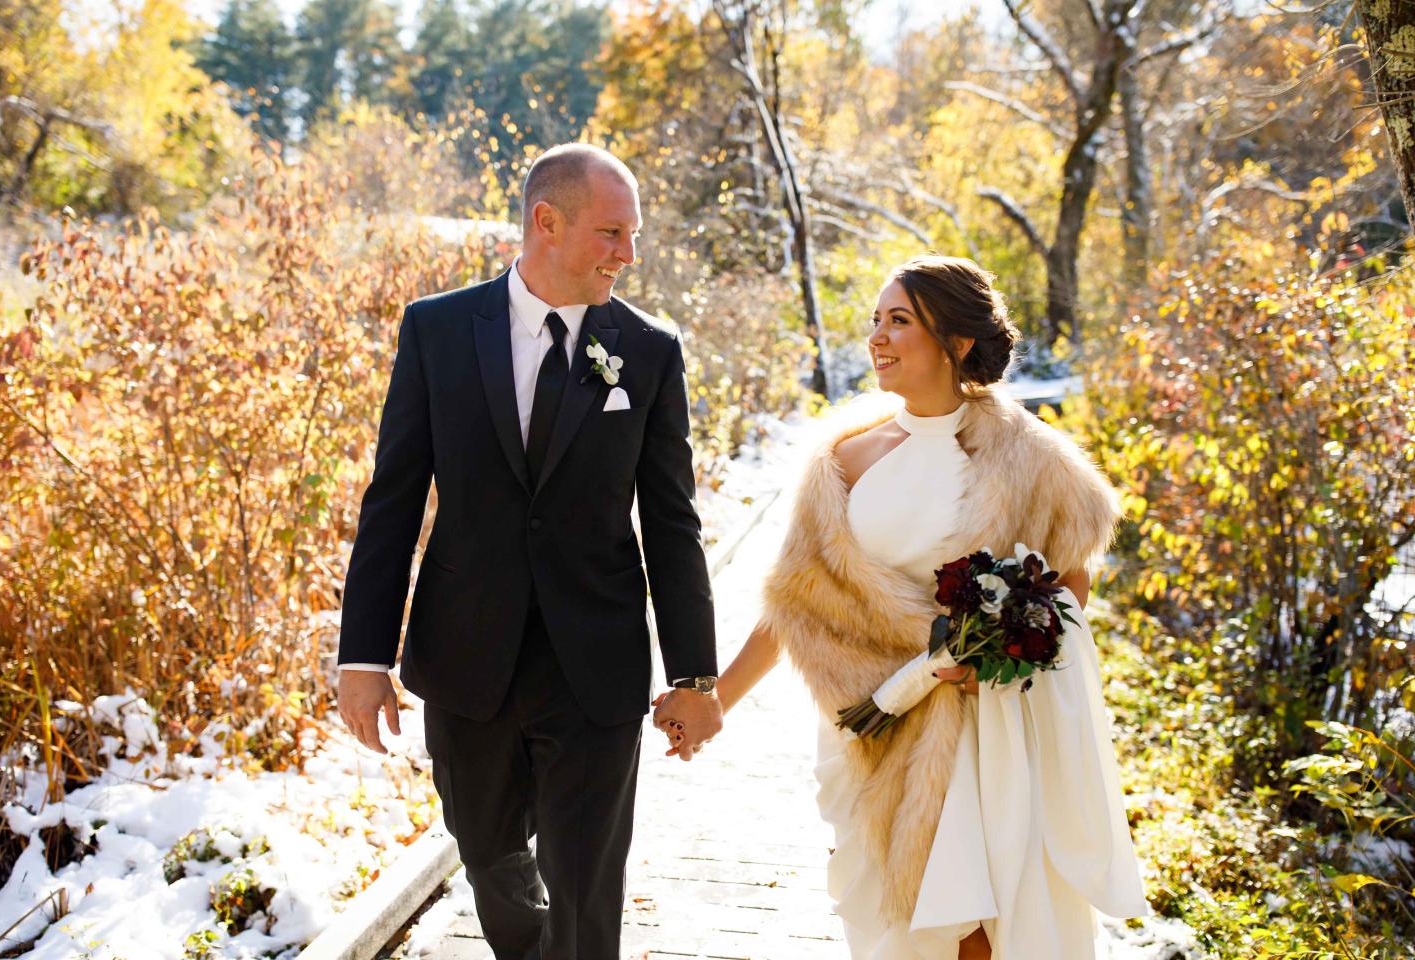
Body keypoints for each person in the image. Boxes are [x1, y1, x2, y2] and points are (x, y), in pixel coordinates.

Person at [655, 254, 1148, 959]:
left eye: (900, 321)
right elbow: (798, 604)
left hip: (983, 726)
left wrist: (1003, 654)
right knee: (903, 930)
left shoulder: (1029, 457)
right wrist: (717, 700)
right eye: (875, 320)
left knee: (978, 928)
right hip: (872, 722)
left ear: (958, 341)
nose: (877, 337)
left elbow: (1069, 585)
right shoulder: (846, 461)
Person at [337, 143, 723, 960]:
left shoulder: (649, 350)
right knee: (488, 858)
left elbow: (671, 521)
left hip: (596, 665)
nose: (629, 255)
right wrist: (364, 656)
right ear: (547, 222)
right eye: (612, 233)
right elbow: (393, 499)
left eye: (634, 234)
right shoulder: (438, 330)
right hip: (467, 657)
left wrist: (695, 677)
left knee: (585, 885)